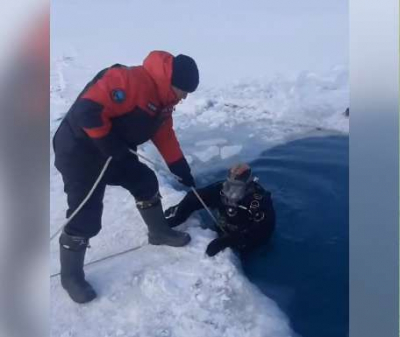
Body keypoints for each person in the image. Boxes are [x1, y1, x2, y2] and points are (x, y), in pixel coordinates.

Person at [52, 51, 199, 303]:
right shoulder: (129, 80)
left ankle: (158, 232)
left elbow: (164, 135)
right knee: (85, 216)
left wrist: (180, 167)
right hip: (79, 152)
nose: (184, 97)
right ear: (170, 81)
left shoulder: (164, 103)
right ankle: (70, 276)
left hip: (112, 152)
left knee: (145, 181)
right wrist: (109, 144)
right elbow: (87, 110)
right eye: (183, 90)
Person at [165, 163, 276, 257]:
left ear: (248, 184)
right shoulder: (220, 189)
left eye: (236, 186)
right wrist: (179, 216)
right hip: (223, 227)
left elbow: (263, 232)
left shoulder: (258, 203)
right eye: (229, 184)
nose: (229, 190)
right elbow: (194, 197)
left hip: (246, 241)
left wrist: (228, 240)